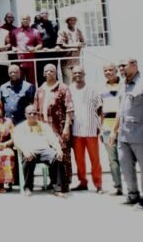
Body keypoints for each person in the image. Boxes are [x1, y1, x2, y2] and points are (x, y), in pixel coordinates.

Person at [108, 58, 143, 210]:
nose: (121, 68)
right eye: (119, 66)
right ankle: (133, 195)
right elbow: (120, 110)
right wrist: (114, 131)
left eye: (123, 65)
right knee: (125, 166)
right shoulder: (123, 85)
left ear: (134, 65)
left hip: (141, 135)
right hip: (123, 135)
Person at [35, 64, 74, 193]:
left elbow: (69, 109)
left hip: (59, 128)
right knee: (50, 155)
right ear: (43, 73)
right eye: (46, 71)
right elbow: (35, 110)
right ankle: (54, 182)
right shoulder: (40, 90)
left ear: (56, 72)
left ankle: (65, 182)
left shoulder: (63, 88)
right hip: (44, 129)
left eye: (51, 71)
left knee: (63, 154)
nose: (49, 73)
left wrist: (67, 127)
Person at [13, 105, 66, 197]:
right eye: (29, 113)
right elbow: (17, 141)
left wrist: (58, 149)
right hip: (30, 150)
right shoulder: (19, 127)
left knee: (57, 157)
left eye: (34, 113)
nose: (32, 115)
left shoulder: (44, 126)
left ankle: (57, 188)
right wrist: (25, 150)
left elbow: (53, 139)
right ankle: (28, 188)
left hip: (45, 150)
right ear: (25, 114)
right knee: (28, 159)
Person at [69, 65, 103, 193]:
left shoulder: (92, 89)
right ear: (72, 75)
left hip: (91, 129)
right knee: (79, 159)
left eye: (80, 73)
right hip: (76, 130)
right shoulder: (70, 89)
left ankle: (98, 184)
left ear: (84, 74)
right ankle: (83, 182)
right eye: (75, 73)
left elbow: (99, 109)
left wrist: (100, 125)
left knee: (95, 159)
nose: (77, 75)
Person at [99, 62, 123, 196]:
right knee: (112, 159)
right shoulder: (101, 88)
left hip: (124, 127)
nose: (108, 72)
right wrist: (101, 127)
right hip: (107, 127)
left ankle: (132, 187)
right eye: (105, 70)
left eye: (110, 70)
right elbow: (101, 109)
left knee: (126, 158)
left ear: (116, 71)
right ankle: (117, 186)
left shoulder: (124, 85)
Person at [10, 14, 43, 85]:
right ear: (21, 20)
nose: (25, 20)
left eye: (27, 19)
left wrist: (35, 48)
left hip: (31, 60)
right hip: (19, 60)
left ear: (30, 20)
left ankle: (32, 92)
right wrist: (14, 48)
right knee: (18, 81)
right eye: (23, 19)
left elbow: (40, 44)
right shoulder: (14, 31)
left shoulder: (35, 31)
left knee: (31, 81)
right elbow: (12, 44)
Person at [57, 16, 86, 84]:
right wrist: (74, 46)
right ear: (67, 21)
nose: (72, 22)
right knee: (68, 80)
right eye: (70, 20)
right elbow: (61, 44)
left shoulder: (78, 31)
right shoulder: (62, 31)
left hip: (76, 59)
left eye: (74, 20)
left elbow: (83, 42)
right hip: (66, 59)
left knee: (77, 79)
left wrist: (81, 45)